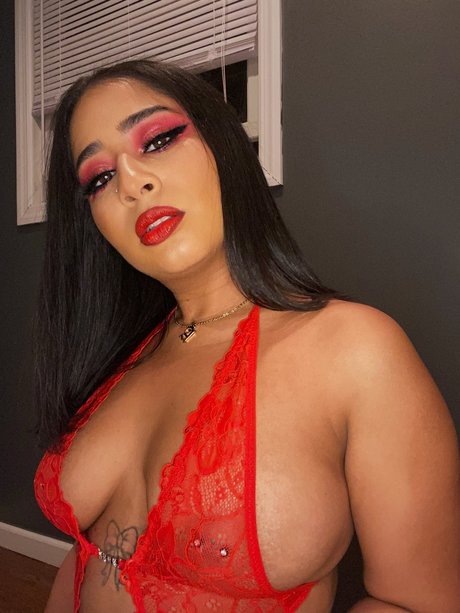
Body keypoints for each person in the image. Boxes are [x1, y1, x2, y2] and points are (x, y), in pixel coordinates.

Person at [34, 60, 459, 613]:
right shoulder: (119, 357)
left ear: (224, 144)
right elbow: (89, 557)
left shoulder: (356, 350)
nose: (132, 183)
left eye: (158, 140)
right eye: (99, 178)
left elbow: (418, 602)